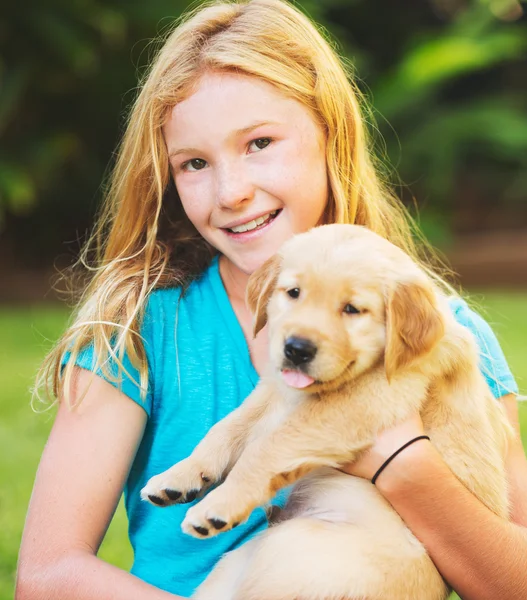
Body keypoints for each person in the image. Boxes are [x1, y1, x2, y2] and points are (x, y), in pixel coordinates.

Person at [16, 0, 527, 598]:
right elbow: (47, 575)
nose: (231, 191)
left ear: (330, 134)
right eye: (195, 163)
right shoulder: (136, 325)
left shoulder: (443, 330)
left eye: (259, 142)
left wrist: (402, 464)